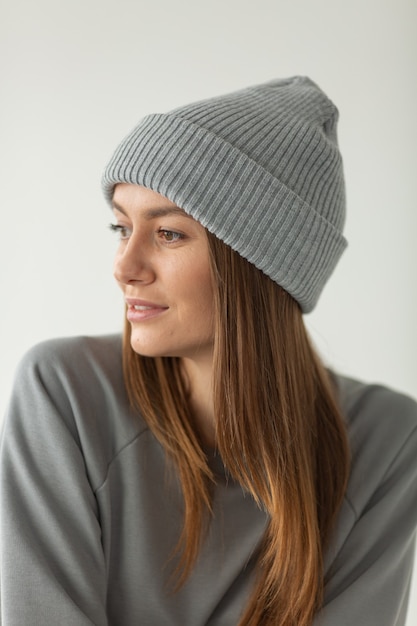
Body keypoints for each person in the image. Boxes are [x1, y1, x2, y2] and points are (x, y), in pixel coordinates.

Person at [1, 76, 416, 626]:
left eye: (169, 233)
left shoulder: (388, 441)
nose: (124, 267)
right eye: (121, 227)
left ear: (260, 265)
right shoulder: (66, 393)